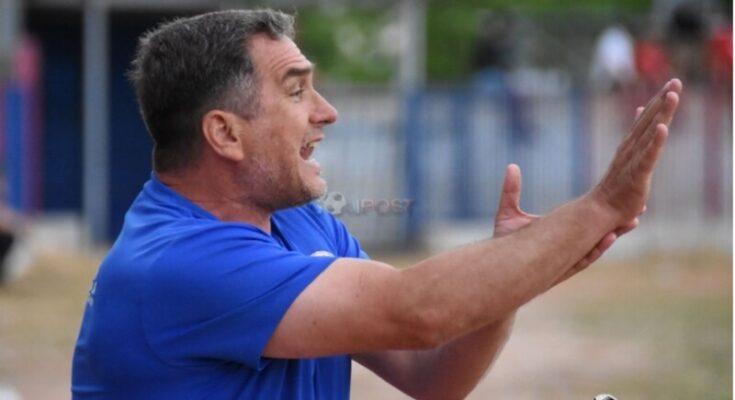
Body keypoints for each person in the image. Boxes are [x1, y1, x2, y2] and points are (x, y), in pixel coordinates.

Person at [70, 9, 682, 399]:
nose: (327, 111)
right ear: (225, 134)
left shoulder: (297, 222)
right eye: (296, 91)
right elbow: (417, 312)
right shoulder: (176, 264)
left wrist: (516, 267)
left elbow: (431, 376)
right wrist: (600, 207)